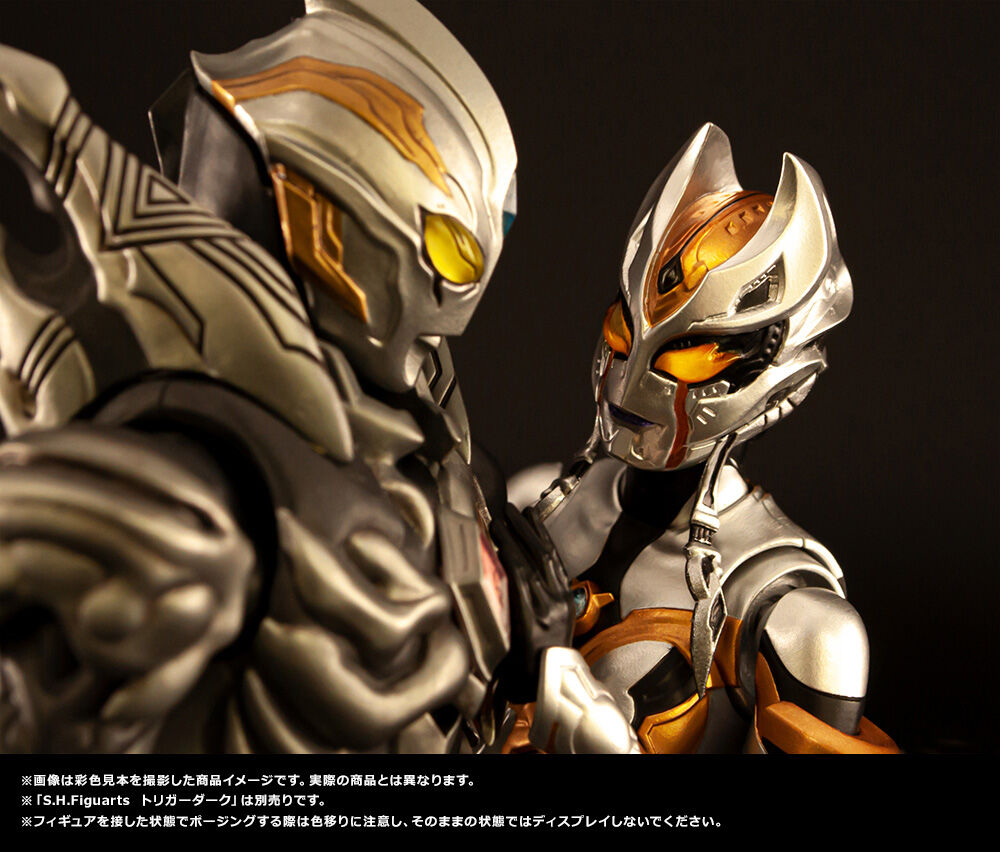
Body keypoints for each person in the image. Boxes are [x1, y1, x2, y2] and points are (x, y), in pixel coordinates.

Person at [0, 0, 635, 754]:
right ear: (345, 216)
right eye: (454, 253)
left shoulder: (419, 459)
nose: (443, 331)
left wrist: (530, 662)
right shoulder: (188, 488)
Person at [527, 123, 899, 753]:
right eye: (623, 331)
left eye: (688, 354)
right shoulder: (537, 503)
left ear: (779, 368)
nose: (631, 378)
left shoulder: (795, 621)